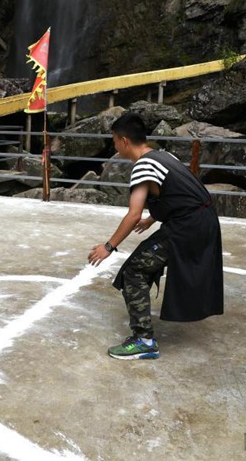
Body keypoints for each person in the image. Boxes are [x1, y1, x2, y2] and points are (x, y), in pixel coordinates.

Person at [88, 112, 223, 360]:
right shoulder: (163, 156)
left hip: (186, 228)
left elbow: (132, 214)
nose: (115, 146)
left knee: (133, 271)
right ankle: (144, 334)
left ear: (125, 141)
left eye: (115, 140)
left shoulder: (143, 165)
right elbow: (179, 191)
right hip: (203, 221)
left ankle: (144, 340)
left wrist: (109, 246)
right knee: (145, 263)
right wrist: (153, 218)